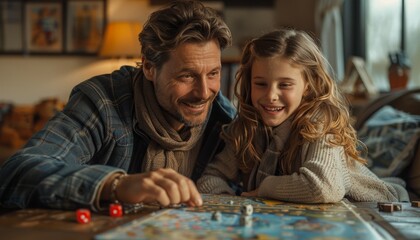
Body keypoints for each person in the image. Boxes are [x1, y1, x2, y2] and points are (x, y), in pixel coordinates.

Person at [0, 0, 235, 211]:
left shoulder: (224, 119)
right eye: (187, 76)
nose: (204, 92)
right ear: (149, 68)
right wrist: (115, 185)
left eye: (213, 73)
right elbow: (17, 172)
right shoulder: (101, 101)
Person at [197, 29, 409, 203]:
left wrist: (264, 187)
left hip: (379, 205)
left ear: (308, 86)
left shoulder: (319, 124)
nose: (271, 96)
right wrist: (232, 204)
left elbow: (323, 187)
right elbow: (209, 178)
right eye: (260, 84)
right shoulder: (247, 127)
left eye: (285, 85)